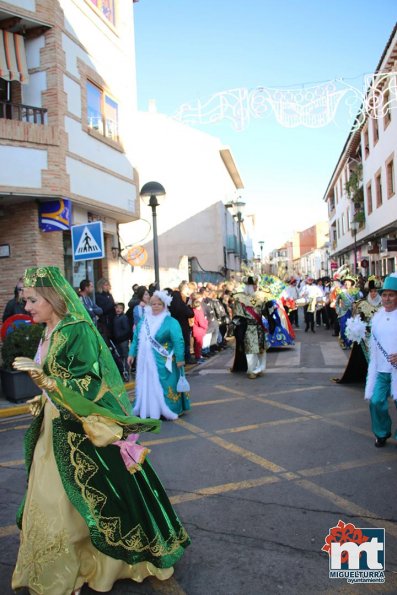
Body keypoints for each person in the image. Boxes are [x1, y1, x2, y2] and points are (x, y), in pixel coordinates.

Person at [12, 266, 190, 594]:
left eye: (33, 300)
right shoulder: (49, 329)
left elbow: (89, 383)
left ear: (52, 299)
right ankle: (65, 564)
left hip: (80, 427)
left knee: (77, 500)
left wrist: (47, 381)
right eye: (26, 301)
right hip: (55, 422)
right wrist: (44, 396)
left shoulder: (75, 329)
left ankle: (94, 563)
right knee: (53, 499)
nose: (27, 307)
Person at [128, 290, 190, 419]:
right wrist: (131, 353)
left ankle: (168, 409)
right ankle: (150, 409)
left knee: (165, 385)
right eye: (153, 304)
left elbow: (178, 340)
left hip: (164, 361)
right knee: (147, 384)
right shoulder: (144, 321)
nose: (155, 306)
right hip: (145, 361)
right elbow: (136, 338)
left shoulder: (171, 321)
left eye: (159, 304)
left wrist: (180, 358)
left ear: (164, 306)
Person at [364, 273, 397, 447]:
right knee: (376, 401)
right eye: (384, 295)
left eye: (391, 295)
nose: (387, 298)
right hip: (382, 370)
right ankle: (382, 432)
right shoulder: (377, 317)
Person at [231, 277, 269, 379]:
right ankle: (251, 370)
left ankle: (260, 368)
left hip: (259, 328)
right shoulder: (239, 299)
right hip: (249, 328)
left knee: (261, 350)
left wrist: (269, 307)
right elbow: (237, 316)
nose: (257, 287)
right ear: (249, 287)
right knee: (251, 350)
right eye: (254, 285)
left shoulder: (259, 298)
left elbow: (264, 311)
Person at [169, 281, 195, 364]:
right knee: (184, 343)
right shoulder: (181, 303)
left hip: (175, 326)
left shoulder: (172, 302)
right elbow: (190, 314)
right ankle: (186, 358)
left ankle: (180, 359)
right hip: (183, 326)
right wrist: (189, 307)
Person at [112, 302, 132, 377]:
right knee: (118, 356)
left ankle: (126, 371)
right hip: (117, 341)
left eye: (120, 308)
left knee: (125, 355)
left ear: (123, 309)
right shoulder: (115, 318)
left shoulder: (124, 317)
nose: (118, 309)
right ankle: (122, 371)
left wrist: (121, 337)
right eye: (117, 308)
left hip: (123, 341)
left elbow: (126, 329)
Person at [95, 277, 115, 343]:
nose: (107, 286)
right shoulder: (98, 296)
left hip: (111, 320)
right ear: (101, 286)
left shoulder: (109, 295)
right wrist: (112, 304)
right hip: (105, 321)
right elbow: (103, 309)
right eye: (105, 285)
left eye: (108, 285)